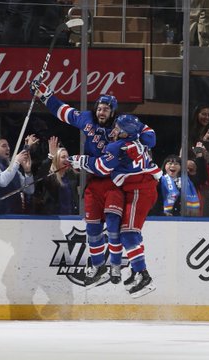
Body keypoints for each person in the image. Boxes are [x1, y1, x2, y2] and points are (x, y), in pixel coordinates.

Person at [30, 80, 156, 288]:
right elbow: (64, 111)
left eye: (106, 109)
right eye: (99, 107)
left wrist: (80, 161)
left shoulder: (123, 129)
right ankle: (98, 265)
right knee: (93, 228)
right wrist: (44, 94)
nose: (101, 111)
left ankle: (116, 265)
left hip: (115, 182)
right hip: (95, 181)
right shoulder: (87, 119)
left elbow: (149, 137)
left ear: (113, 112)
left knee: (116, 228)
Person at [68, 114, 162, 298]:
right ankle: (137, 272)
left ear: (126, 134)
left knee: (128, 233)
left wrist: (79, 160)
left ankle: (144, 277)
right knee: (128, 232)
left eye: (118, 128)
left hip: (139, 191)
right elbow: (149, 133)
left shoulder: (118, 147)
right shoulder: (142, 138)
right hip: (141, 187)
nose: (114, 130)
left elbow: (102, 167)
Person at [0, 136, 35, 214]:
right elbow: (3, 181)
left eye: (8, 146)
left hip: (16, 214)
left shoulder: (12, 166)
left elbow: (29, 190)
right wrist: (16, 162)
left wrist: (27, 171)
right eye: (4, 146)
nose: (8, 148)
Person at [33, 136, 79, 215]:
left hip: (72, 218)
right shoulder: (51, 176)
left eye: (68, 157)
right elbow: (41, 174)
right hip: (54, 218)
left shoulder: (73, 175)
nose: (66, 159)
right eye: (63, 157)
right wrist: (51, 156)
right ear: (56, 160)